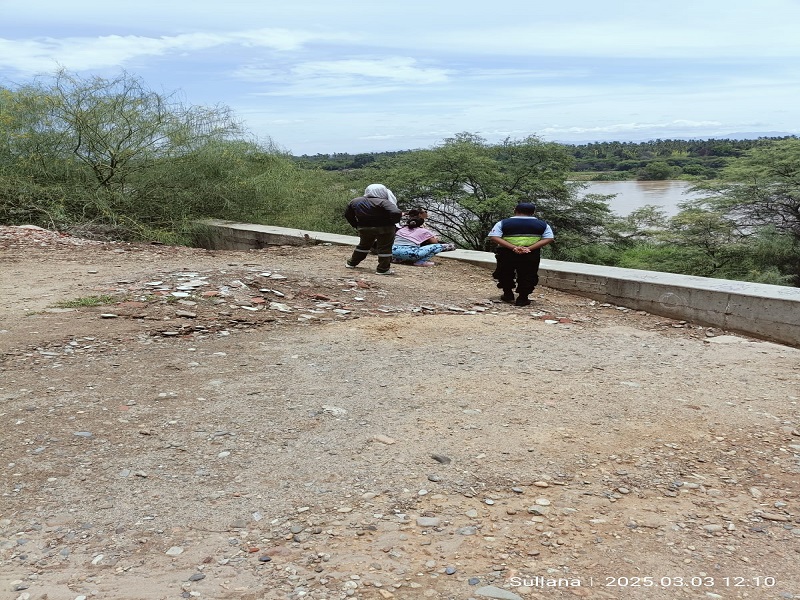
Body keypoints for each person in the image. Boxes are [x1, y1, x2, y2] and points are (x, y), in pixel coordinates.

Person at [487, 202, 554, 306]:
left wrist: (513, 247)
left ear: (515, 211)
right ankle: (523, 298)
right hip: (530, 254)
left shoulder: (503, 223)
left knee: (505, 272)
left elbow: (494, 236)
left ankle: (508, 294)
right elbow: (549, 238)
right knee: (528, 274)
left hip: (507, 253)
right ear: (533, 212)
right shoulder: (543, 224)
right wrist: (529, 248)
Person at [344, 184, 403, 275]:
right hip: (385, 228)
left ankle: (351, 263)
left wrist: (356, 225)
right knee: (385, 248)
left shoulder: (355, 201)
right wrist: (393, 222)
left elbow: (348, 215)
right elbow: (396, 212)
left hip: (364, 228)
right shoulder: (383, 202)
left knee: (363, 246)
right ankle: (383, 269)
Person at [391, 209, 456, 266]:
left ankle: (398, 259)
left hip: (393, 252)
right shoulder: (423, 231)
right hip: (410, 253)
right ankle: (420, 262)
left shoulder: (402, 229)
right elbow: (435, 242)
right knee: (439, 246)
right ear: (421, 223)